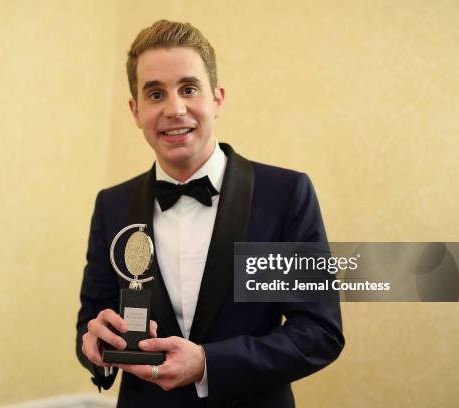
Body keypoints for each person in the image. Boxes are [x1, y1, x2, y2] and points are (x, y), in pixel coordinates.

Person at [76, 19, 344, 408]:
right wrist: (95, 346)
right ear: (135, 111)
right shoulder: (111, 205)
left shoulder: (285, 194)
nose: (174, 108)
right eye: (155, 94)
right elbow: (90, 323)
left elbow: (319, 332)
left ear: (217, 99)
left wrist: (208, 364)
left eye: (188, 89)